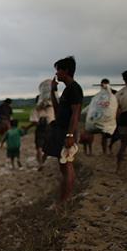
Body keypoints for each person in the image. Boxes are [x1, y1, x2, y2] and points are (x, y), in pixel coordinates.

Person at [43, 56, 83, 206]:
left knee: (66, 165)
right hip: (62, 130)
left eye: (58, 70)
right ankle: (63, 200)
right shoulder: (67, 89)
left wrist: (70, 134)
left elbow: (76, 113)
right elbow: (58, 110)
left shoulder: (74, 88)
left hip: (67, 131)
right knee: (63, 165)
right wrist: (53, 91)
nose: (56, 73)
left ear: (66, 70)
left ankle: (64, 201)